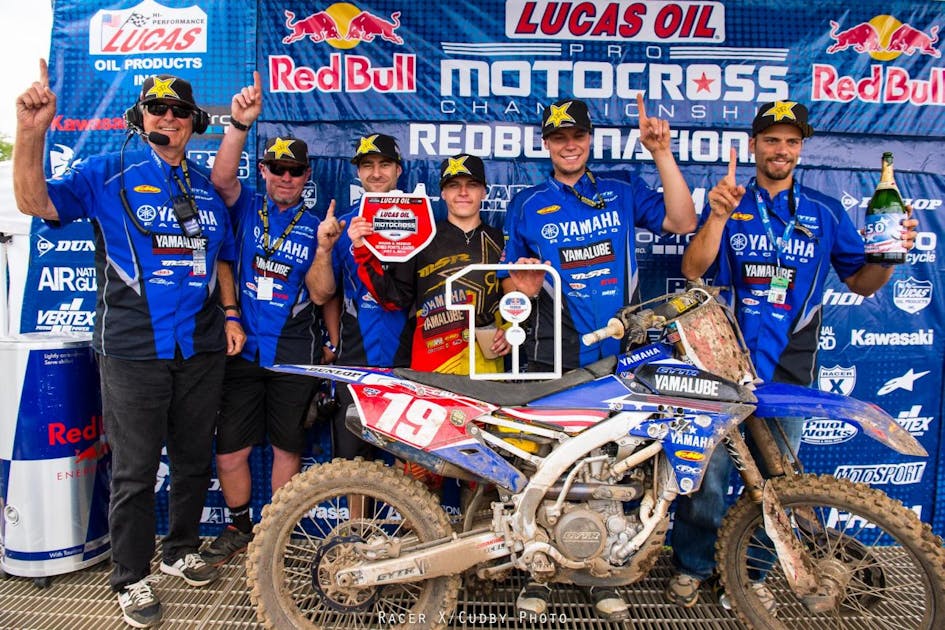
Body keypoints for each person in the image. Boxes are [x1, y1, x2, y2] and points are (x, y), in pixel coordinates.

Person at [14, 65, 243, 628]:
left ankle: (180, 550)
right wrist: (30, 133)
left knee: (193, 460)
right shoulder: (106, 171)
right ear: (139, 118)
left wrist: (232, 314)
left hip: (200, 349)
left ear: (193, 122)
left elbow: (220, 258)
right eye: (156, 108)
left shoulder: (205, 189)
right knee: (136, 472)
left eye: (179, 110)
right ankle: (130, 576)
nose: (168, 117)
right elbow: (34, 202)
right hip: (133, 349)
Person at [666, 100, 918, 610]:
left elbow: (862, 283)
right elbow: (693, 270)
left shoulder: (824, 212)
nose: (781, 150)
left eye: (791, 141)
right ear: (754, 145)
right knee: (708, 479)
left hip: (789, 369)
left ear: (800, 148)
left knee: (778, 482)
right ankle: (693, 565)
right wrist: (718, 217)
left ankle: (751, 574)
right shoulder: (730, 201)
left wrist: (890, 256)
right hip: (719, 366)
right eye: (771, 140)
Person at [500, 95, 697, 621]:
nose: (569, 145)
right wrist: (518, 288)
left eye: (577, 136)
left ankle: (597, 571)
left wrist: (661, 153)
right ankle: (539, 572)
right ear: (546, 144)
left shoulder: (621, 190)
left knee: (609, 468)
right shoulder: (527, 204)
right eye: (558, 137)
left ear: (590, 140)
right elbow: (512, 285)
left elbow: (682, 220)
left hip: (623, 351)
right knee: (548, 467)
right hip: (555, 351)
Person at [201, 73, 339, 566]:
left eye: (294, 171)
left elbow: (323, 294)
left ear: (306, 176)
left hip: (293, 355)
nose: (285, 177)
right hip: (240, 350)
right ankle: (240, 527)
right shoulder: (245, 207)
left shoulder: (318, 226)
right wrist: (239, 125)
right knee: (230, 452)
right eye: (277, 168)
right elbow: (220, 180)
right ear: (262, 170)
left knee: (286, 449)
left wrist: (324, 250)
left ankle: (275, 534)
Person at [352, 153, 511, 374]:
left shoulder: (502, 241)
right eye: (454, 186)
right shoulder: (421, 237)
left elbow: (518, 300)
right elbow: (394, 299)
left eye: (472, 185)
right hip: (431, 370)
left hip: (485, 370)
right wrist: (362, 250)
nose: (463, 192)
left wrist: (510, 331)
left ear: (484, 191)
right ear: (443, 193)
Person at [308, 133, 413, 465]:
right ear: (358, 172)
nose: (376, 173)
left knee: (407, 465)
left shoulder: (420, 221)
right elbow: (322, 294)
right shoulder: (343, 225)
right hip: (355, 360)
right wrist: (324, 250)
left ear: (398, 170)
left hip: (405, 361)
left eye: (384, 165)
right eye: (368, 165)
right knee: (351, 464)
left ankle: (406, 508)